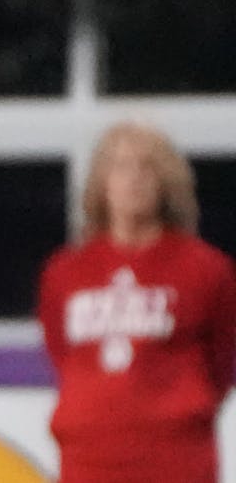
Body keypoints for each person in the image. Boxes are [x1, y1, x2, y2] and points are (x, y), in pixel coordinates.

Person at [38, 121, 236, 483]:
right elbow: (61, 354)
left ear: (166, 183)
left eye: (147, 167)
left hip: (176, 459)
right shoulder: (65, 272)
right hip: (89, 459)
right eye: (121, 166)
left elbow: (222, 364)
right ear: (102, 183)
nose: (135, 179)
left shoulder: (206, 269)